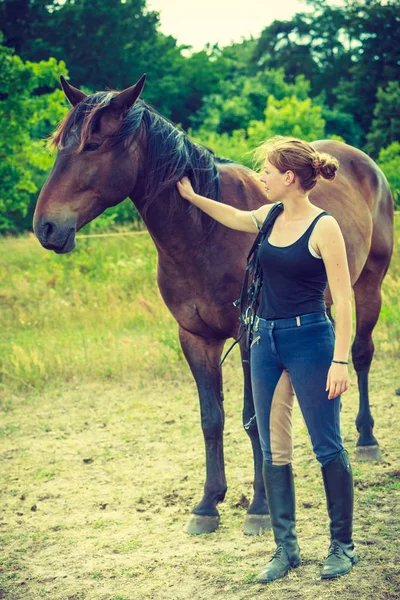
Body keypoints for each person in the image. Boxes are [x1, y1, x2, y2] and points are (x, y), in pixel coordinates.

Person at [176, 136, 358, 583]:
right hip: (265, 344)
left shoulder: (324, 227)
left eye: (268, 172)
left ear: (290, 178)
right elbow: (235, 216)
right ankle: (286, 548)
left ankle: (342, 546)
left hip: (311, 340)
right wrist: (192, 196)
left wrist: (341, 361)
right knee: (274, 448)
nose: (261, 178)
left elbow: (346, 300)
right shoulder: (270, 216)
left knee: (326, 445)